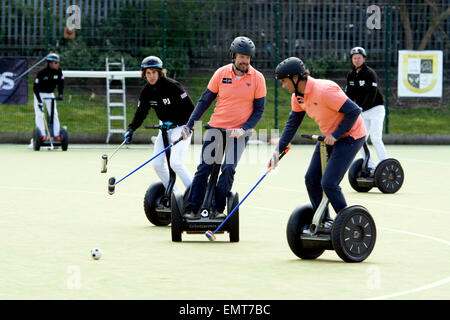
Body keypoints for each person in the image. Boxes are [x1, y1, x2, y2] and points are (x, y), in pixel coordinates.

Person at [268, 57, 366, 222]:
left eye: (284, 81)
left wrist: (336, 135)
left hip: (350, 136)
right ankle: (325, 221)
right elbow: (292, 124)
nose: (283, 86)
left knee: (328, 183)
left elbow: (354, 111)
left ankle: (348, 222)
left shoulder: (324, 90)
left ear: (296, 78)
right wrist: (277, 152)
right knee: (311, 179)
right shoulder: (297, 97)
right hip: (329, 137)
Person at [181, 36, 266, 220]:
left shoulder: (257, 78)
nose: (245, 61)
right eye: (241, 56)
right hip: (216, 128)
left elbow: (259, 110)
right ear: (234, 56)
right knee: (205, 167)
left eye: (248, 57)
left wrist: (244, 128)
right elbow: (204, 101)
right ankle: (191, 208)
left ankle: (217, 209)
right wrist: (190, 125)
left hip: (240, 133)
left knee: (228, 168)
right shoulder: (221, 74)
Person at [124, 56, 195, 191]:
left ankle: (194, 193)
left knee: (175, 163)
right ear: (144, 74)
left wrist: (187, 127)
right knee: (157, 164)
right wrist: (131, 129)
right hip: (164, 129)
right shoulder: (146, 91)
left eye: (154, 72)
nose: (151, 76)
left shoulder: (173, 86)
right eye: (148, 73)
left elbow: (191, 109)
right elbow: (141, 112)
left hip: (182, 128)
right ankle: (174, 193)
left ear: (160, 72)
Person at [346, 47, 387, 175]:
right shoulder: (351, 75)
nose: (357, 60)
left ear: (364, 59)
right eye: (354, 58)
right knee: (360, 140)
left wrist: (361, 108)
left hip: (376, 109)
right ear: (352, 60)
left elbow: (372, 93)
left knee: (375, 138)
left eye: (359, 58)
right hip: (362, 111)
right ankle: (371, 166)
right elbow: (348, 95)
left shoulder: (370, 73)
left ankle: (385, 165)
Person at [33, 53, 64, 141]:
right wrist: (39, 100)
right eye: (55, 62)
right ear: (50, 63)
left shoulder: (59, 71)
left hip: (50, 94)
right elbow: (35, 88)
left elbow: (61, 84)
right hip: (39, 94)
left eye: (58, 62)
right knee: (40, 114)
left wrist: (60, 94)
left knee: (54, 114)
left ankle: (57, 135)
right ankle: (42, 135)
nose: (58, 64)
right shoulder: (41, 73)